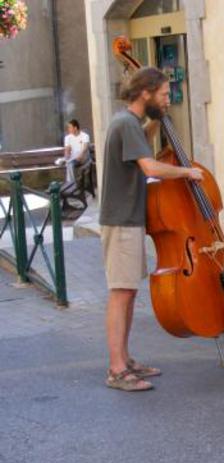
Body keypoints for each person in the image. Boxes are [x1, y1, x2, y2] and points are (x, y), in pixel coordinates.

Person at [99, 67, 203, 392]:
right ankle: (117, 369)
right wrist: (187, 172)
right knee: (121, 293)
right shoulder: (125, 123)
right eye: (162, 93)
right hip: (121, 220)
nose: (166, 97)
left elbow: (142, 143)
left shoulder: (129, 124)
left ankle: (125, 359)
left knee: (128, 292)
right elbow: (149, 166)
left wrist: (159, 118)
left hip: (128, 218)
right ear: (145, 93)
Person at [55, 119, 90, 183]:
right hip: (73, 159)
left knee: (69, 164)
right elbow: (67, 149)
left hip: (83, 158)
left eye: (70, 127)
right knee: (69, 164)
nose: (68, 129)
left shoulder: (85, 136)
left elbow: (85, 148)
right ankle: (72, 184)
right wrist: (67, 154)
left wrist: (80, 155)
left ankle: (71, 184)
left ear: (75, 128)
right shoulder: (67, 138)